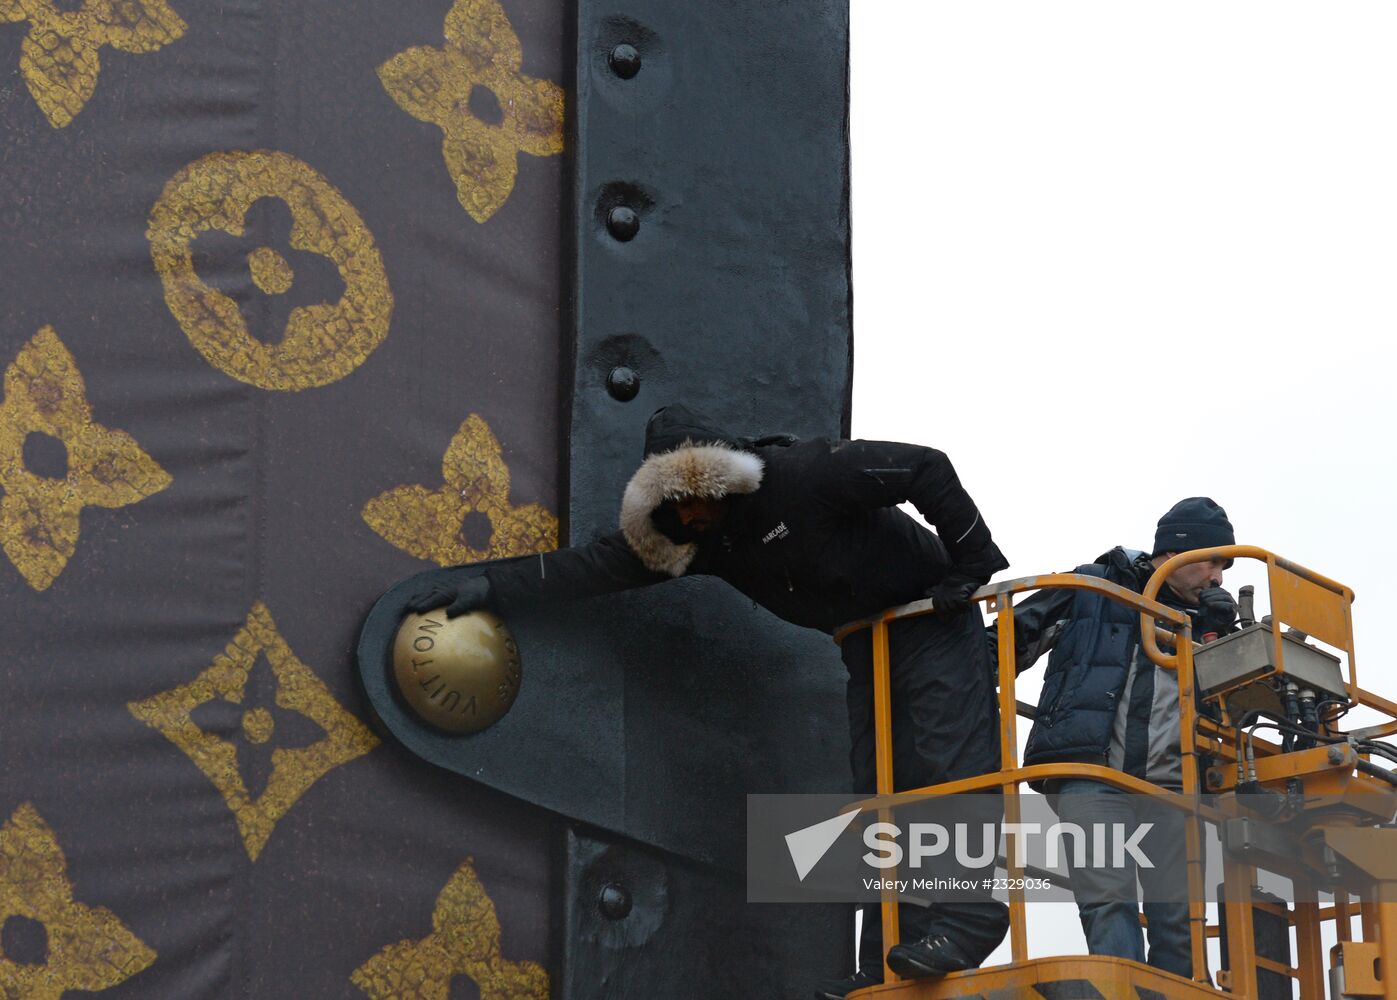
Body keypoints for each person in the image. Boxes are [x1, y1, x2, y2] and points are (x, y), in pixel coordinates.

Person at [405, 403, 1011, 998]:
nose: (689, 517)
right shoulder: (703, 543)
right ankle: (887, 959)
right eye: (674, 508)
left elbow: (925, 467)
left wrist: (973, 563)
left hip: (933, 618)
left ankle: (969, 920)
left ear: (720, 478)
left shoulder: (803, 475)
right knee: (882, 790)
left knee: (945, 763)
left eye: (694, 498)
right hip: (866, 639)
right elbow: (595, 567)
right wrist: (491, 585)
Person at [998, 497, 1238, 977]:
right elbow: (1004, 639)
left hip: (1172, 782)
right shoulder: (1092, 587)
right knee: (1108, 900)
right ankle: (1124, 989)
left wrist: (1223, 637)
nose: (1219, 577)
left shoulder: (1210, 620)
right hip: (1092, 772)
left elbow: (1239, 712)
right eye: (1215, 562)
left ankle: (1180, 991)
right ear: (1179, 551)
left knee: (1180, 916)